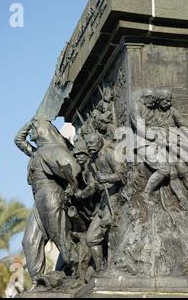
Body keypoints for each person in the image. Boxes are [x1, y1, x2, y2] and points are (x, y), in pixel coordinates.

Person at [15, 119, 81, 285]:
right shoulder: (38, 152)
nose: (30, 134)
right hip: (39, 201)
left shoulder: (53, 150)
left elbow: (73, 169)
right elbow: (18, 140)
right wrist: (32, 122)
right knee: (29, 241)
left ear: (42, 131)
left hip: (51, 197)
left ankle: (78, 270)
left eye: (33, 130)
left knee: (61, 239)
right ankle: (39, 280)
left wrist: (71, 182)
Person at [75, 132, 125, 271]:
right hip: (103, 201)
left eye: (92, 143)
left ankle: (114, 266)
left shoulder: (109, 153)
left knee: (110, 229)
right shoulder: (92, 162)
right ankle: (100, 270)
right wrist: (80, 194)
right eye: (88, 145)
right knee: (91, 238)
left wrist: (107, 178)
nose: (90, 147)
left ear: (100, 141)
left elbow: (121, 174)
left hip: (115, 196)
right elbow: (91, 187)